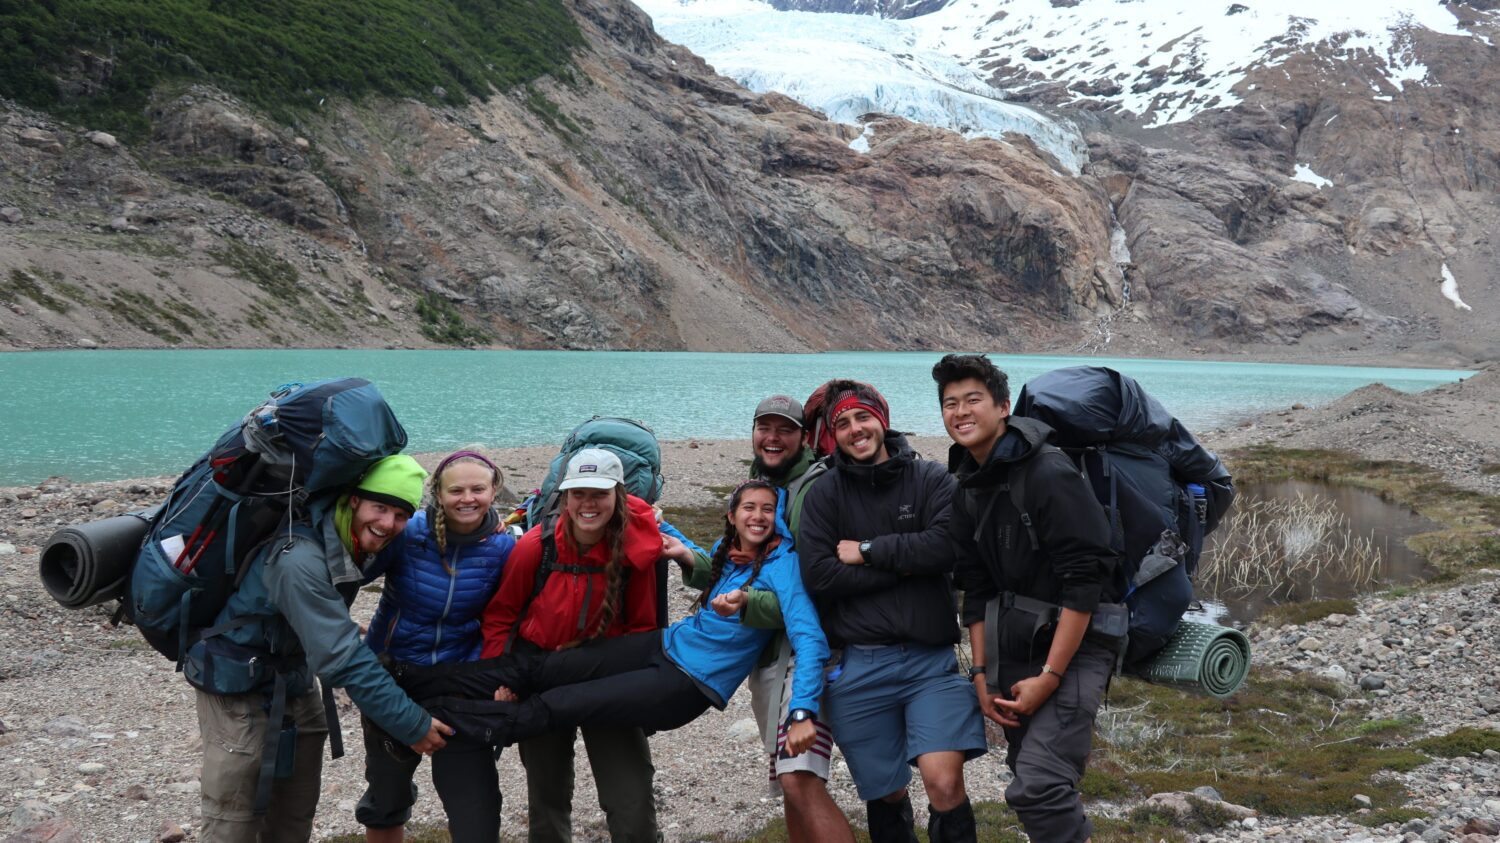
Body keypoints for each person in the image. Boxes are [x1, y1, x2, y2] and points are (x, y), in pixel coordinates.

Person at [401, 481, 829, 759]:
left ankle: (430, 718)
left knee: (555, 706)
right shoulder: (729, 551)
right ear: (732, 515)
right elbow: (692, 552)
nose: (757, 516)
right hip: (661, 645)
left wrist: (802, 712)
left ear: (779, 519)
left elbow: (810, 638)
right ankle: (411, 681)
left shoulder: (782, 566)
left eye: (768, 510)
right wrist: (671, 534)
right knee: (540, 667)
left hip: (685, 684)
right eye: (748, 507)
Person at [193, 454, 453, 842]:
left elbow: (423, 536)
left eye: (400, 514)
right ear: (353, 500)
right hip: (235, 686)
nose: (388, 524)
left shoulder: (353, 538)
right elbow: (342, 657)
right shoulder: (298, 558)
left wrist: (483, 527)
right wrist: (411, 724)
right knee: (234, 821)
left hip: (294, 677)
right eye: (379, 507)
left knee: (294, 816)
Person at [934, 353, 1119, 843]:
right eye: (950, 403)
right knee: (1032, 776)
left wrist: (1051, 675)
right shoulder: (966, 488)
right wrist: (980, 675)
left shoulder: (1048, 473)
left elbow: (1085, 582)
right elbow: (976, 589)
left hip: (1078, 643)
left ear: (1004, 406)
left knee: (1037, 785)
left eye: (973, 399)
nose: (961, 412)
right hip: (1017, 643)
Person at [797, 380, 985, 843]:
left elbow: (947, 547)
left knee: (943, 782)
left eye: (863, 418)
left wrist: (868, 550)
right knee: (886, 793)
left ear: (882, 419)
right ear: (832, 434)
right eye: (842, 423)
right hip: (859, 666)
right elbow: (820, 576)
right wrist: (906, 566)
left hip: (930, 663)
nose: (855, 430)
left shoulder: (931, 479)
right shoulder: (825, 493)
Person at [479, 447, 669, 843]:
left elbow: (643, 628)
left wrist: (642, 693)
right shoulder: (536, 546)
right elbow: (501, 616)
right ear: (564, 497)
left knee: (630, 796)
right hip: (541, 673)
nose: (588, 503)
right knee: (546, 795)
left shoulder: (635, 555)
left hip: (608, 679)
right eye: (578, 493)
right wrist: (501, 677)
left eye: (598, 493)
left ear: (618, 495)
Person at [702, 395, 852, 843]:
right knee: (788, 781)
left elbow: (807, 586)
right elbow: (742, 560)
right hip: (773, 654)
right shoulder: (764, 480)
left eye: (784, 429)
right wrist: (691, 561)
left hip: (803, 654)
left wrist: (747, 603)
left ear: (803, 437)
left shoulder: (811, 490)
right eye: (763, 428)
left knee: (798, 779)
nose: (772, 437)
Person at [357, 451, 516, 843]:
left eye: (478, 489)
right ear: (437, 494)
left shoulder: (505, 548)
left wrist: (502, 674)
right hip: (393, 676)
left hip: (460, 682)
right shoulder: (407, 533)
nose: (468, 498)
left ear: (494, 490)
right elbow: (349, 576)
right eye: (456, 489)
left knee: (474, 803)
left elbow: (510, 618)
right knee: (386, 797)